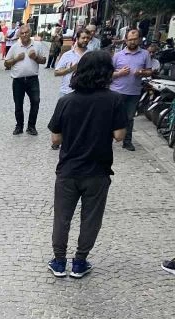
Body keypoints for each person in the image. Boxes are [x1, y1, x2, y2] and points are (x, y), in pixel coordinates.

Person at [47, 50, 127, 278]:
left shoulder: (66, 101)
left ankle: (59, 261)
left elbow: (55, 139)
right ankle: (80, 262)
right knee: (91, 219)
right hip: (98, 170)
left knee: (62, 218)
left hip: (68, 169)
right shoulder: (115, 100)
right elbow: (119, 135)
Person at [110, 29, 153, 152]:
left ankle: (127, 141)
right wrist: (119, 73)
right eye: (130, 39)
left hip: (134, 92)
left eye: (135, 39)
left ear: (139, 39)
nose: (132, 42)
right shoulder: (118, 55)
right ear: (125, 40)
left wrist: (142, 72)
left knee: (129, 118)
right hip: (116, 91)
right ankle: (107, 139)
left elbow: (150, 71)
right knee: (112, 116)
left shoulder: (145, 54)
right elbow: (108, 73)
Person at [5, 24, 46, 135]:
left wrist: (35, 57)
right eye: (22, 33)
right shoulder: (15, 47)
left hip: (33, 79)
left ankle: (31, 126)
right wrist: (16, 59)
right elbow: (6, 63)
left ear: (30, 33)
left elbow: (44, 61)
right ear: (19, 35)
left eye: (26, 32)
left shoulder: (37, 45)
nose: (24, 35)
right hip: (18, 80)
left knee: (36, 101)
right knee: (18, 104)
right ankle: (19, 126)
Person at [52, 30, 90, 150]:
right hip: (66, 91)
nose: (85, 40)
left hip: (84, 92)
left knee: (81, 118)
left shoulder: (90, 55)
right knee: (62, 116)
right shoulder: (67, 55)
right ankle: (58, 139)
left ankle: (76, 141)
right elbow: (56, 72)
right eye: (83, 37)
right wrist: (70, 69)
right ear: (77, 39)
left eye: (87, 38)